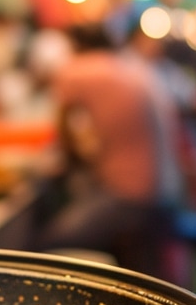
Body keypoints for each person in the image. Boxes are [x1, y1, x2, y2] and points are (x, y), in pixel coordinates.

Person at [36, 22, 181, 276]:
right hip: (167, 191)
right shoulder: (126, 66)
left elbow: (63, 133)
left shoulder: (78, 70)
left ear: (74, 46)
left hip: (133, 197)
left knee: (49, 243)